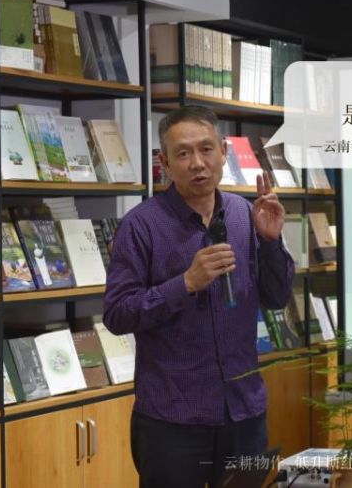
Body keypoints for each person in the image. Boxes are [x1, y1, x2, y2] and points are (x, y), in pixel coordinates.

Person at [103, 105, 294, 488]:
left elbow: (276, 298)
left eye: (206, 149)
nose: (197, 163)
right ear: (165, 163)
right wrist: (185, 283)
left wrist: (271, 243)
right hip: (172, 419)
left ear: (223, 151)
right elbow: (118, 314)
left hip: (243, 411)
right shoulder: (141, 226)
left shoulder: (245, 214)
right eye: (183, 153)